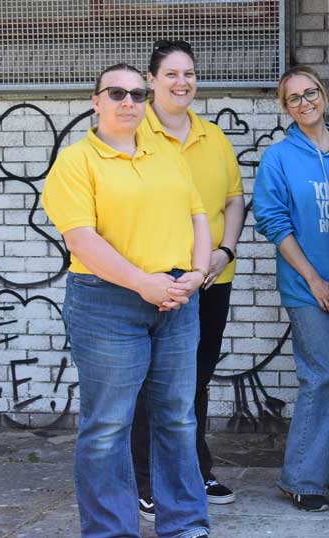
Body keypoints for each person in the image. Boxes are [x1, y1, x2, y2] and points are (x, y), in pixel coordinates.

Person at [42, 63, 211, 537]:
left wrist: (196, 274)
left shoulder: (165, 152)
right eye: (117, 93)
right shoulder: (77, 161)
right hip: (107, 303)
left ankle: (185, 525)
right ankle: (110, 530)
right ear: (95, 101)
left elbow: (198, 215)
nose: (129, 103)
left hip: (178, 298)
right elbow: (82, 240)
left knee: (178, 418)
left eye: (138, 94)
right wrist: (142, 282)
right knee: (108, 426)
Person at [130, 39, 245, 521]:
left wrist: (225, 251)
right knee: (148, 382)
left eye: (189, 74)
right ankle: (146, 479)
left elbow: (235, 200)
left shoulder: (212, 135)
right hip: (158, 281)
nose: (182, 82)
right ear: (151, 80)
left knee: (195, 378)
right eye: (172, 74)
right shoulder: (135, 131)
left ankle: (196, 467)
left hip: (212, 279)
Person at [253, 65, 329, 512]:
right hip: (307, 288)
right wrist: (314, 279)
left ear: (325, 96)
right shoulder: (279, 158)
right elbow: (274, 222)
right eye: (294, 98)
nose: (305, 103)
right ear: (286, 107)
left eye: (311, 93)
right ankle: (300, 477)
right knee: (323, 377)